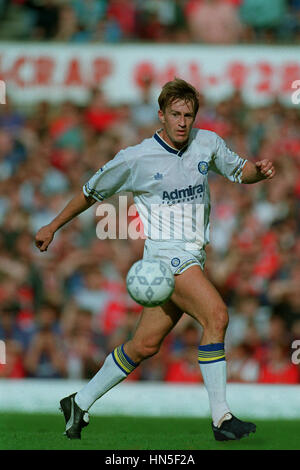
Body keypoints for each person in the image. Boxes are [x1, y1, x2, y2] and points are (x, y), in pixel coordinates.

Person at [35, 78, 275, 441]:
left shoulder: (206, 143)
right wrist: (53, 225)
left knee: (144, 346)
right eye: (175, 114)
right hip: (166, 259)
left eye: (188, 115)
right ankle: (222, 418)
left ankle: (79, 402)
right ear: (160, 115)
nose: (182, 122)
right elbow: (90, 192)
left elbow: (240, 171)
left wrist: (260, 170)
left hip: (194, 256)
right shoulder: (136, 158)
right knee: (217, 316)